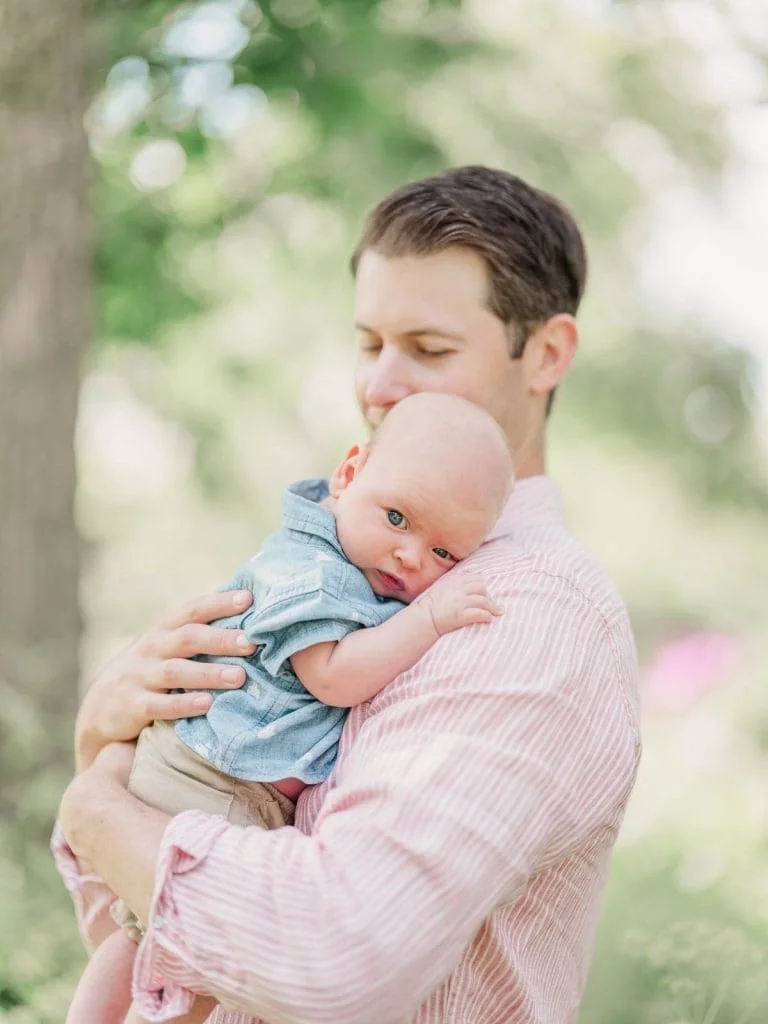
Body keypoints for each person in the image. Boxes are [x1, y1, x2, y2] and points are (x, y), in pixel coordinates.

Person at [54, 165, 641, 1024]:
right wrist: (113, 749)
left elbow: (335, 958)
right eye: (369, 344)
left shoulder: (531, 611)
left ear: (546, 354)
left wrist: (101, 812)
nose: (379, 385)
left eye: (430, 350)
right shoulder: (348, 566)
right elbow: (153, 950)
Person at [64, 392, 513, 1024]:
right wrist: (430, 619)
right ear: (349, 474)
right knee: (178, 958)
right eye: (397, 518)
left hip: (222, 775)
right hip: (211, 776)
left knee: (152, 945)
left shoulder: (357, 564)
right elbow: (331, 676)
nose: (411, 556)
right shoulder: (314, 571)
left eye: (445, 554)